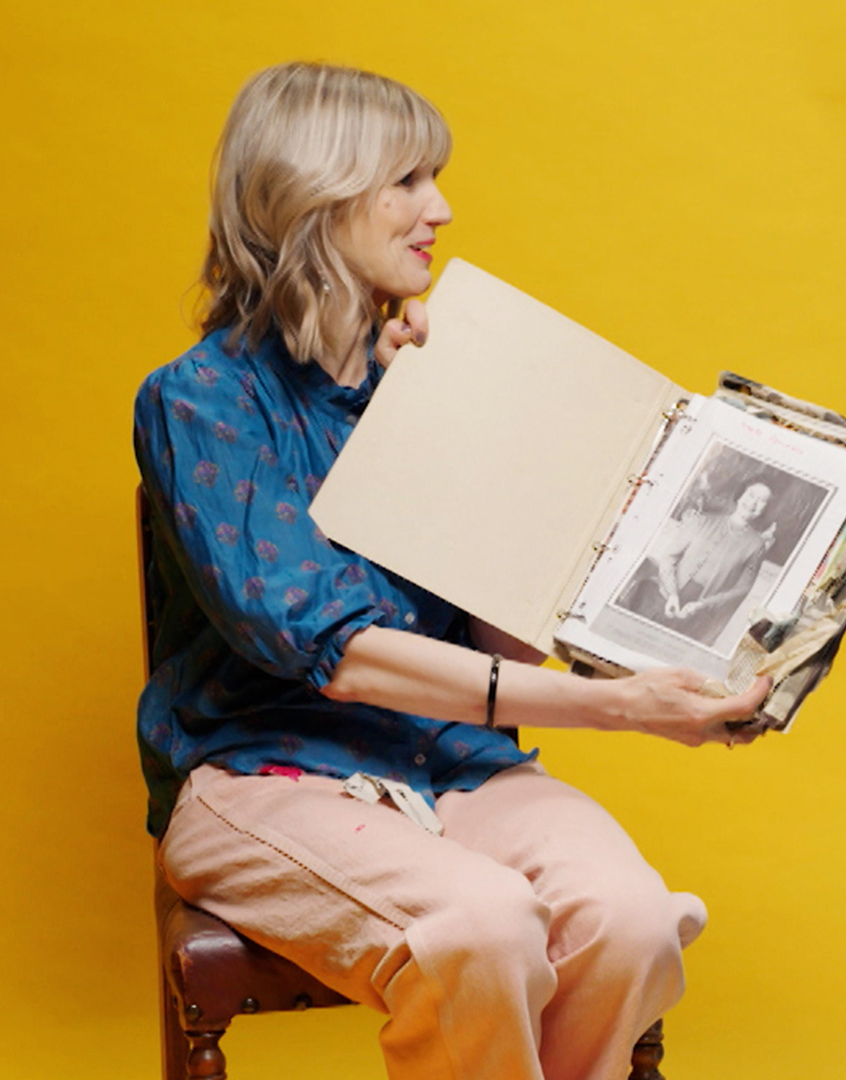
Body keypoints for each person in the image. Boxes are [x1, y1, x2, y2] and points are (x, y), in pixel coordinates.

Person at [134, 62, 770, 1080]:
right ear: (313, 192)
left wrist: (465, 418)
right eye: (408, 180)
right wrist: (620, 709)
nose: (442, 209)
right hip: (264, 773)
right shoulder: (202, 401)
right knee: (480, 927)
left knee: (632, 920)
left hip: (450, 763)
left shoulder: (424, 378)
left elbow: (505, 632)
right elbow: (341, 656)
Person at [618, 480, 776, 646]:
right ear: (740, 495)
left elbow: (742, 589)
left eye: (761, 501)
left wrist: (702, 605)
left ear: (765, 509)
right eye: (751, 495)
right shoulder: (703, 521)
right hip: (662, 595)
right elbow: (669, 557)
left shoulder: (756, 545)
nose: (753, 503)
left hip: (698, 616)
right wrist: (672, 593)